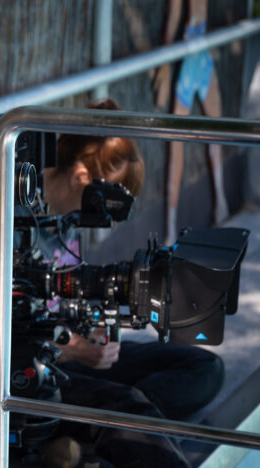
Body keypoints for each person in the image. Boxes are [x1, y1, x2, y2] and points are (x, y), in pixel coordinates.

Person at [39, 99, 224, 467]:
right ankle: (115, 421)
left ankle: (82, 431)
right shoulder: (13, 218)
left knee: (204, 369)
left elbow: (66, 292)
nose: (108, 219)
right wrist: (74, 349)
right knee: (127, 406)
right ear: (81, 177)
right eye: (108, 204)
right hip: (38, 365)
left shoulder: (67, 221)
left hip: (71, 352)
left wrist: (92, 331)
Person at [152, 0, 229, 245]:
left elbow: (177, 14)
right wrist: (164, 63)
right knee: (179, 142)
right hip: (195, 55)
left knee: (210, 131)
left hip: (199, 54)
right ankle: (172, 227)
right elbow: (175, 14)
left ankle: (220, 204)